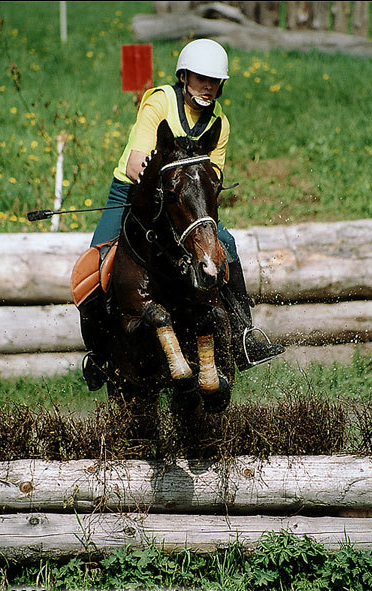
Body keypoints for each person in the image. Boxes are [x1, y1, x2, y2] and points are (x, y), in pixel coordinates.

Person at [82, 38, 285, 391]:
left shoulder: (220, 122)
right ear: (184, 76)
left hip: (189, 204)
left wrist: (196, 211)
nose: (208, 86)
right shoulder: (160, 101)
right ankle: (98, 353)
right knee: (95, 264)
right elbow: (135, 164)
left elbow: (213, 178)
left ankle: (243, 336)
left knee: (228, 247)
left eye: (214, 81)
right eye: (200, 78)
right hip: (135, 193)